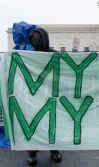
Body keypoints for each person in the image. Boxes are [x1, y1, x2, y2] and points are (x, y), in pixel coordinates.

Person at [27, 27, 63, 165]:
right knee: (34, 124)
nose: (35, 38)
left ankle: (54, 150)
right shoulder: (28, 56)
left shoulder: (55, 54)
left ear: (45, 37)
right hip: (34, 97)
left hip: (52, 95)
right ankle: (32, 152)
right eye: (33, 36)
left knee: (52, 124)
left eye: (38, 35)